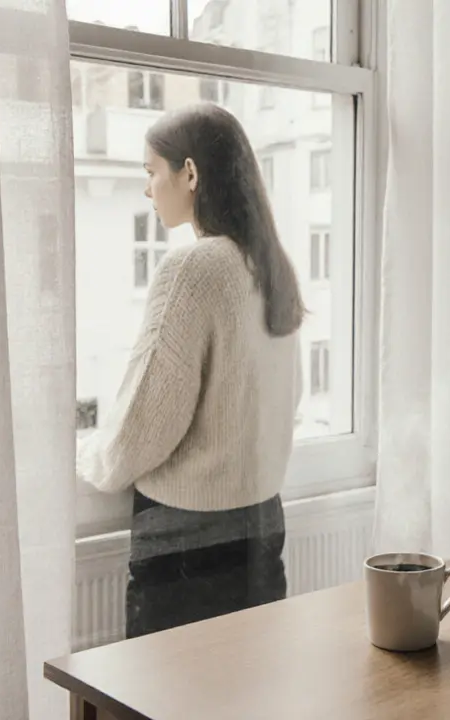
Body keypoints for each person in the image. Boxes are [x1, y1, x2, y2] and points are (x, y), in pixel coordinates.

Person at [76, 103, 304, 639]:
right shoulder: (272, 265)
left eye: (152, 172)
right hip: (263, 528)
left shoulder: (191, 268)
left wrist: (94, 459)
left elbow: (147, 421)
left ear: (191, 173)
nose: (148, 190)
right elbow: (287, 398)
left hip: (187, 549)